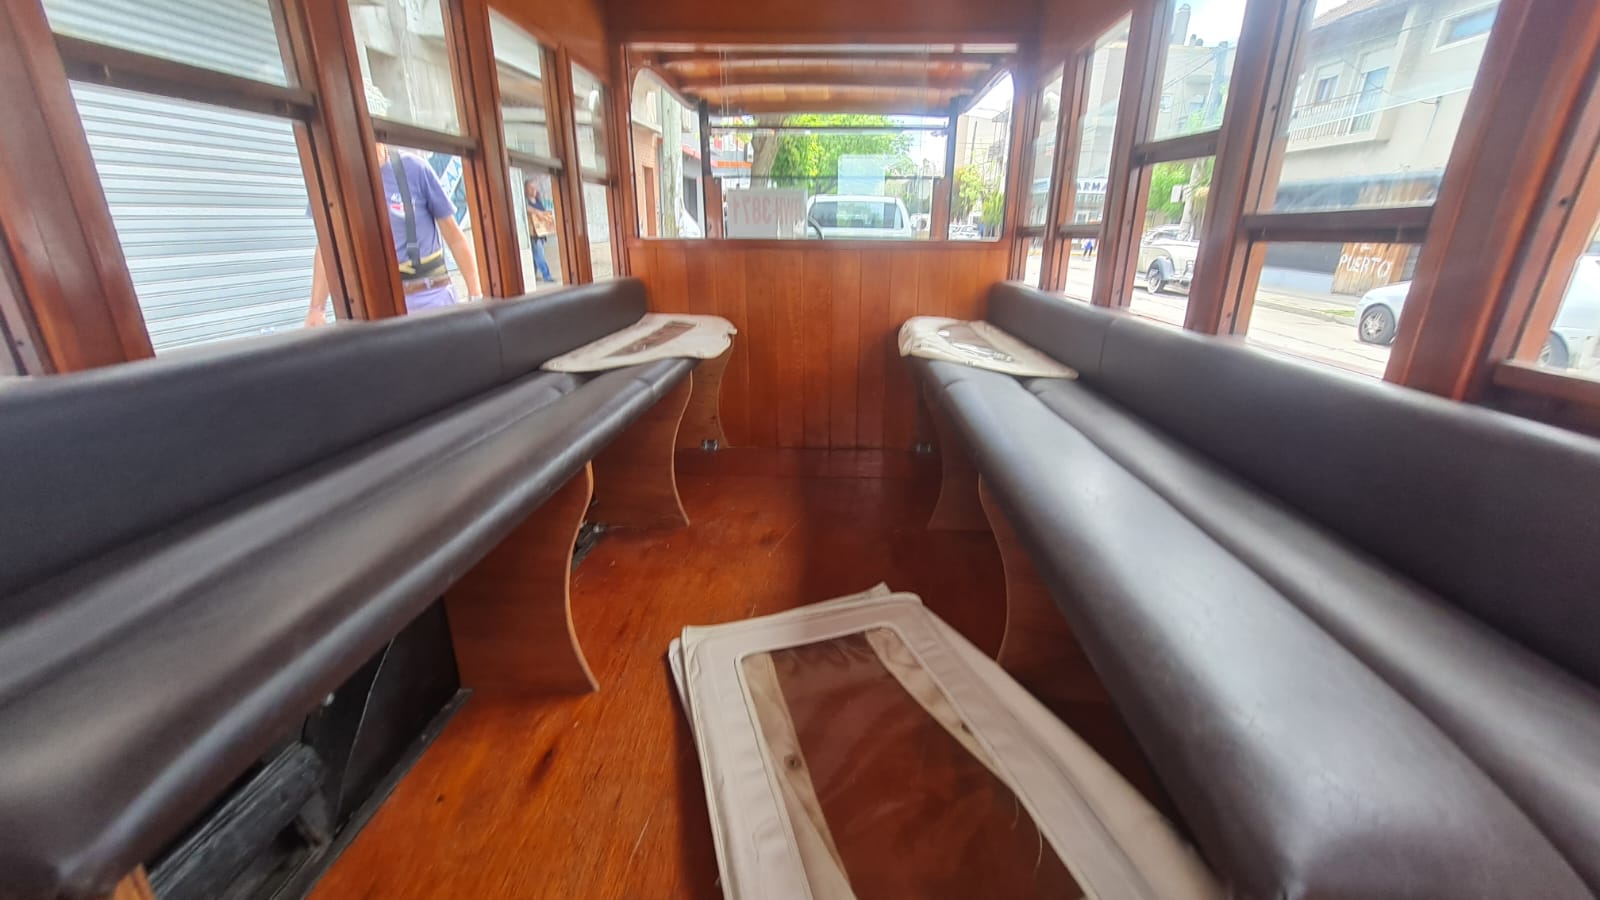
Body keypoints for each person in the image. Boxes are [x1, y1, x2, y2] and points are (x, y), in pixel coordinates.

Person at [305, 144, 482, 326]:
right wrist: (316, 309)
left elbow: (454, 237)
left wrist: (475, 294)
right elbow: (328, 247)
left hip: (431, 298)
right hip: (374, 309)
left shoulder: (415, 169)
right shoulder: (332, 180)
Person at [525, 181, 556, 284]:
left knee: (535, 256)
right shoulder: (526, 201)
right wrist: (537, 212)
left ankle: (532, 276)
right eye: (530, 188)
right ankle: (547, 275)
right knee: (539, 256)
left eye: (535, 187)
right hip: (533, 234)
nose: (533, 190)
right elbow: (526, 208)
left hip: (541, 233)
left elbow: (543, 213)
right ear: (526, 189)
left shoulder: (538, 200)